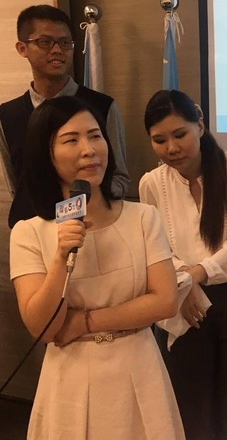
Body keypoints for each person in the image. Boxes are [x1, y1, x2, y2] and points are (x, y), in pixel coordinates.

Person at [9, 96, 185, 439]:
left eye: (95, 136)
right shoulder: (28, 232)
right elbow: (42, 328)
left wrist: (85, 322)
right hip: (69, 380)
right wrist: (61, 257)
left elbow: (165, 301)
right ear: (46, 154)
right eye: (71, 140)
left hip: (139, 369)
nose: (89, 150)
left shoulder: (142, 217)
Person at [139, 89, 227, 439]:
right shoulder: (151, 183)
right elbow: (156, 248)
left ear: (200, 125)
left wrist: (195, 276)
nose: (172, 148)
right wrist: (184, 284)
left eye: (180, 134)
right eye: (159, 140)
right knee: (192, 403)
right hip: (184, 302)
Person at [0, 4, 130, 228]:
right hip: (31, 232)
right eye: (45, 42)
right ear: (22, 48)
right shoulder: (7, 115)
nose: (57, 50)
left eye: (65, 42)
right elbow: (18, 185)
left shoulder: (101, 106)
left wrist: (84, 205)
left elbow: (119, 178)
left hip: (90, 229)